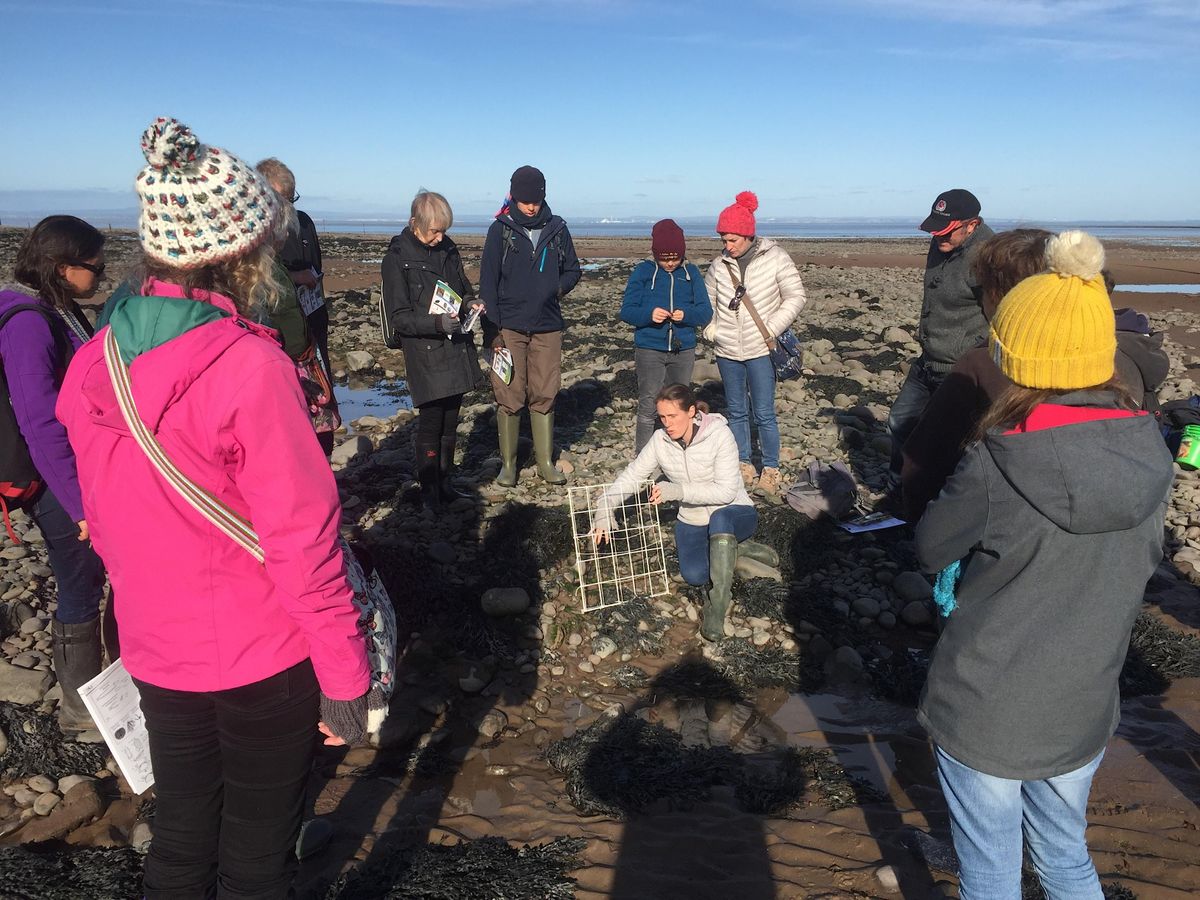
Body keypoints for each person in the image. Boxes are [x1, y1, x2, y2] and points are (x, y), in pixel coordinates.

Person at [57, 117, 370, 899]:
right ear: (245, 252)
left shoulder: (96, 360)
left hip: (157, 649)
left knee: (184, 835)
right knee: (258, 858)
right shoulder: (250, 366)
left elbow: (102, 508)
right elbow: (303, 541)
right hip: (262, 654)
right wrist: (345, 674)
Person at [915, 231, 1173, 899]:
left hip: (986, 708)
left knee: (990, 874)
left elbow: (930, 545)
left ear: (1013, 356)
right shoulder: (1152, 450)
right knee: (1064, 857)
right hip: (1083, 704)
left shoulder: (995, 461)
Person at [901, 230, 1171, 523]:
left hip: (1008, 533)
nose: (979, 302)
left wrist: (925, 523)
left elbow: (924, 467)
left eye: (983, 289)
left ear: (1004, 296)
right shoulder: (1126, 348)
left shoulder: (984, 364)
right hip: (1124, 527)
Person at [0, 216, 108, 738]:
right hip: (55, 482)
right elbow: (40, 423)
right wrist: (80, 503)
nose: (103, 274)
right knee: (80, 580)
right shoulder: (28, 321)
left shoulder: (55, 308)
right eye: (96, 266)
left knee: (89, 577)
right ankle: (81, 707)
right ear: (64, 267)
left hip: (71, 474)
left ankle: (97, 689)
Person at [590, 383, 778, 641]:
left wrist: (676, 491)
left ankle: (717, 607)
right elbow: (632, 475)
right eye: (662, 417)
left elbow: (724, 492)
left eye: (673, 416)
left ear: (691, 412)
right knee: (695, 576)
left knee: (721, 518)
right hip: (693, 518)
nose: (667, 423)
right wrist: (604, 508)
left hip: (734, 512)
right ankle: (736, 549)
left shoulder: (720, 435)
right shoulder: (660, 441)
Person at [886, 188, 994, 495]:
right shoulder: (941, 244)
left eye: (946, 232)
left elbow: (1002, 315)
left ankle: (941, 499)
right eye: (935, 231)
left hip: (961, 367)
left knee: (952, 443)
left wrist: (978, 356)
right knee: (899, 422)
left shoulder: (990, 257)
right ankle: (899, 491)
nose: (939, 238)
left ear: (971, 225)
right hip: (928, 359)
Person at [479, 165, 581, 486]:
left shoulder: (557, 228)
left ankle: (545, 463)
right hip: (508, 327)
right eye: (524, 200)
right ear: (513, 197)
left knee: (545, 391)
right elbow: (487, 285)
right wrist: (491, 330)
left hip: (548, 326)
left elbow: (573, 270)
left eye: (536, 199)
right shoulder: (500, 231)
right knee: (509, 392)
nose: (531, 206)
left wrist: (557, 289)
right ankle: (508, 466)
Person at [380, 190, 481, 509]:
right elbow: (399, 318)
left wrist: (471, 303)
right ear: (414, 223)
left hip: (455, 346)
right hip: (425, 350)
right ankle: (429, 491)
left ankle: (445, 482)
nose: (440, 238)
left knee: (451, 420)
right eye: (434, 231)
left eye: (444, 231)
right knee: (431, 421)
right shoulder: (396, 259)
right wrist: (437, 324)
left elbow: (461, 288)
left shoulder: (448, 248)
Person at [703, 191, 806, 496]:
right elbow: (707, 302)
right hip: (727, 351)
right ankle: (743, 463)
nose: (727, 246)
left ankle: (771, 468)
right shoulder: (718, 266)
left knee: (763, 412)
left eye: (732, 240)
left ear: (748, 236)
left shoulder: (775, 257)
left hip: (762, 349)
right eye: (724, 239)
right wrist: (711, 328)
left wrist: (771, 328)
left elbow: (796, 296)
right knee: (736, 410)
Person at [620, 218, 712, 452]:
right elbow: (627, 311)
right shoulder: (643, 272)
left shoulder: (691, 273)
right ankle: (643, 456)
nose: (670, 263)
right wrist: (649, 315)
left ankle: (677, 452)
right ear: (655, 254)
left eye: (674, 258)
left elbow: (705, 311)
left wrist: (687, 315)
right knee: (649, 402)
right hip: (650, 349)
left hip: (683, 350)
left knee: (679, 404)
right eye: (664, 258)